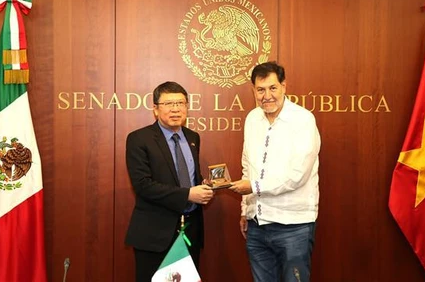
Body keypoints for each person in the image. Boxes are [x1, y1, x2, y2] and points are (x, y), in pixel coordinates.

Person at [230, 62, 321, 282]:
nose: (267, 96)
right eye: (260, 90)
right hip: (257, 223)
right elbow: (247, 165)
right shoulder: (252, 119)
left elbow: (298, 175)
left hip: (293, 224)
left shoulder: (303, 120)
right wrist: (245, 208)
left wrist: (255, 187)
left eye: (272, 88)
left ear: (284, 86)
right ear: (253, 91)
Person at [125, 81, 214, 282]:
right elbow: (142, 185)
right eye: (168, 104)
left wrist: (204, 186)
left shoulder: (193, 137)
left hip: (190, 230)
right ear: (155, 109)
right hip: (155, 235)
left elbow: (188, 177)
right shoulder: (139, 139)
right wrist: (188, 194)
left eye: (181, 103)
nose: (175, 109)